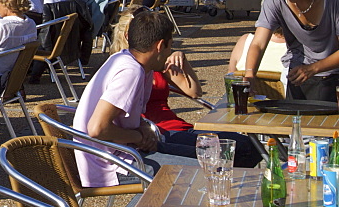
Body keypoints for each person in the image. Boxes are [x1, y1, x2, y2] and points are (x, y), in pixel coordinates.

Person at [109, 10, 261, 168]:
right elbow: (101, 126)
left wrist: (182, 60)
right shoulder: (125, 70)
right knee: (236, 151)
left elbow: (194, 92)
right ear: (128, 35)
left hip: (178, 127)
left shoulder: (158, 63)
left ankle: (225, 183)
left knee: (248, 145)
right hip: (157, 134)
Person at [72, 12, 199, 188]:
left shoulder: (130, 61)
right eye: (171, 45)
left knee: (206, 157)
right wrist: (138, 137)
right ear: (161, 46)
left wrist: (142, 127)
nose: (171, 51)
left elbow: (125, 115)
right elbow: (97, 129)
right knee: (202, 172)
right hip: (110, 165)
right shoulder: (131, 71)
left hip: (123, 153)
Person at [244, 0, 339, 100]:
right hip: (297, 72)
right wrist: (250, 72)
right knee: (295, 120)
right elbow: (258, 43)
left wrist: (313, 68)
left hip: (332, 73)